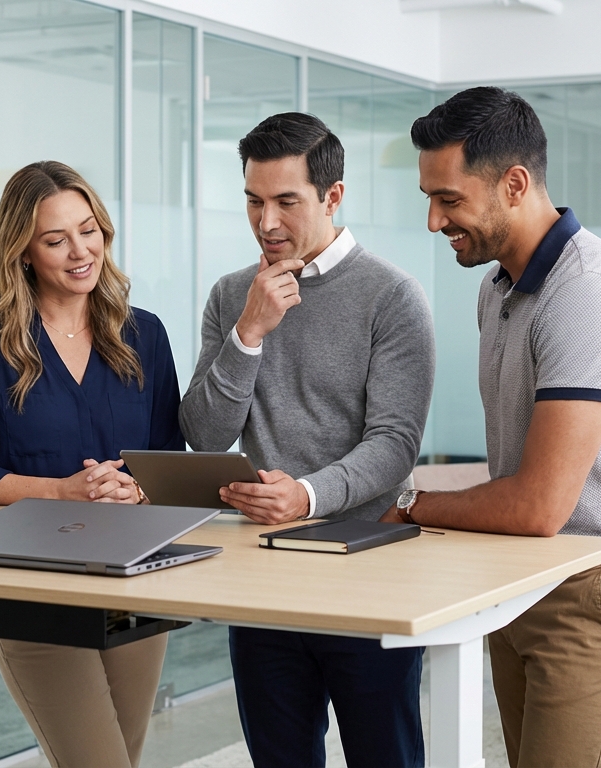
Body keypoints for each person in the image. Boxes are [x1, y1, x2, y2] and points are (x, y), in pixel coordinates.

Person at [386, 87, 601, 768]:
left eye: (449, 199)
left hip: (595, 582)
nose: (433, 220)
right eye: (429, 197)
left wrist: (409, 510)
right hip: (522, 573)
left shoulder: (588, 292)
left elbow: (540, 503)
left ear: (514, 184)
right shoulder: (497, 290)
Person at [179, 113, 435, 768]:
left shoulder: (393, 297)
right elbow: (204, 435)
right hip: (262, 573)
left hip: (369, 568)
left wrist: (308, 496)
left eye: (286, 202)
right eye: (254, 202)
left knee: (386, 756)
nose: (266, 223)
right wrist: (249, 335)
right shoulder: (234, 295)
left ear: (334, 196)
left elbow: (394, 443)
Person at [0, 160, 184, 768]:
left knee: (120, 758)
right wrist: (61, 492)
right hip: (34, 585)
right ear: (23, 252)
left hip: (135, 583)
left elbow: (168, 463)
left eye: (89, 230)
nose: (81, 252)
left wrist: (138, 493)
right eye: (55, 239)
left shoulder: (144, 334)